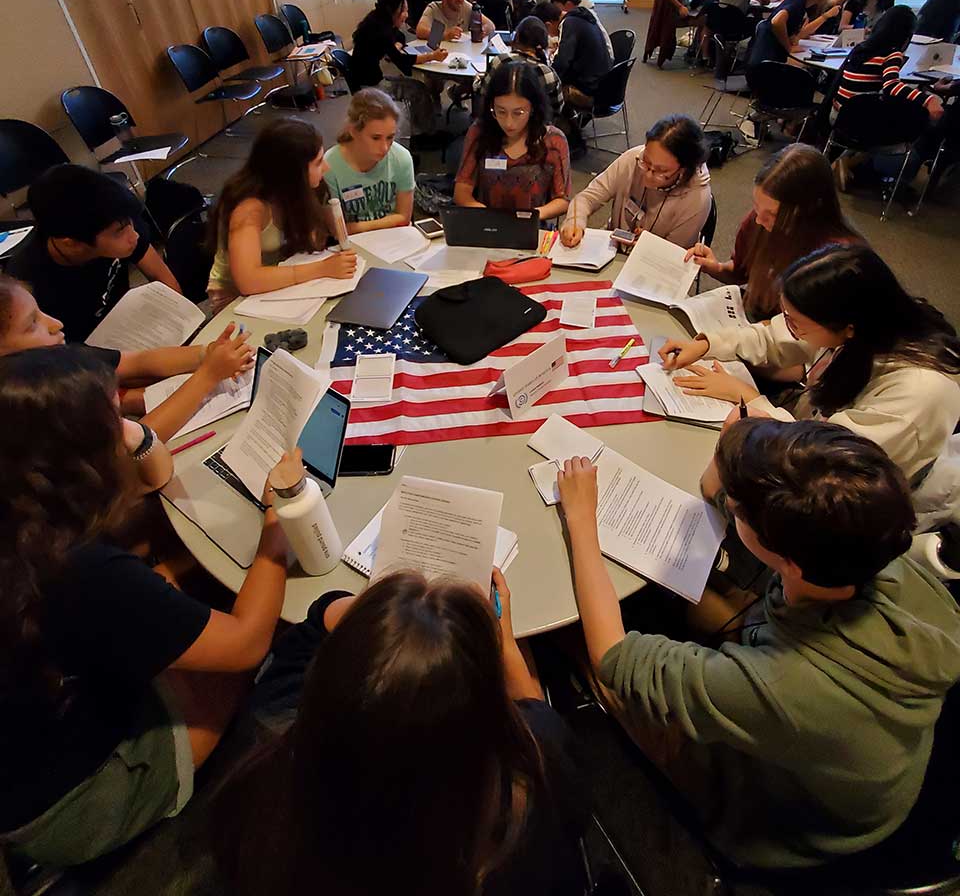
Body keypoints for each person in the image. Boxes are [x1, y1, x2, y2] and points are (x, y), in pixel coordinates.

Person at [557, 417, 960, 868]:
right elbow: (717, 484)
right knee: (690, 597)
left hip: (784, 820)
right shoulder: (874, 548)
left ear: (790, 561)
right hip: (859, 764)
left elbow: (613, 655)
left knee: (581, 643)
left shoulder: (785, 683)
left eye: (740, 510)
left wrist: (582, 520)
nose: (731, 504)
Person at [0, 347, 292, 867]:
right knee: (260, 652)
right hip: (66, 804)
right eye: (114, 418)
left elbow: (154, 474)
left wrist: (131, 435)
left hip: (33, 731)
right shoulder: (81, 571)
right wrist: (278, 523)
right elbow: (246, 642)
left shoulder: (24, 504)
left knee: (173, 577)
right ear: (81, 454)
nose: (128, 424)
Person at [219, 568, 587, 896]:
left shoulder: (260, 789)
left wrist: (389, 625)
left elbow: (318, 621)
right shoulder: (534, 780)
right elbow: (534, 710)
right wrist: (505, 647)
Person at [660, 244, 960, 491]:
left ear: (848, 328)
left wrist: (749, 399)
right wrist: (706, 345)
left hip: (840, 496)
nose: (789, 327)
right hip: (806, 430)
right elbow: (773, 337)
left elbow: (825, 457)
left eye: (796, 322)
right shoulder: (866, 322)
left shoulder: (919, 394)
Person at [0, 276, 252, 442]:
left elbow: (137, 362)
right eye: (32, 324)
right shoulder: (37, 405)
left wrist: (206, 353)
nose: (56, 323)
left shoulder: (61, 355)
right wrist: (207, 376)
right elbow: (135, 447)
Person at [685, 144, 860, 321]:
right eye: (756, 206)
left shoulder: (839, 261)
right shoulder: (758, 221)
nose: (759, 220)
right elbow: (740, 272)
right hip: (759, 316)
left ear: (809, 210)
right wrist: (716, 268)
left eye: (773, 215)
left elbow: (826, 330)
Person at [7, 165, 180, 343]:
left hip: (129, 328)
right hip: (84, 351)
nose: (134, 235)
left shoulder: (118, 220)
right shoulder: (28, 285)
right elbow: (57, 353)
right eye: (119, 231)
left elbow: (164, 280)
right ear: (72, 243)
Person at [206, 118, 357, 313]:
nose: (326, 168)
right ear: (291, 172)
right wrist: (322, 269)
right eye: (318, 162)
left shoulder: (298, 191)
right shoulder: (249, 208)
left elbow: (315, 242)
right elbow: (248, 280)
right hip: (234, 297)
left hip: (279, 278)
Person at [560, 114, 712, 249]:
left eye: (660, 171)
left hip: (652, 263)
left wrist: (646, 246)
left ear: (683, 169)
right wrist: (575, 221)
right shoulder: (633, 158)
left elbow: (671, 256)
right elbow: (587, 198)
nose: (648, 174)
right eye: (646, 162)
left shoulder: (697, 199)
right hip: (612, 247)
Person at [832, 6, 943, 188]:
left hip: (839, 117)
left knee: (886, 113)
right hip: (859, 123)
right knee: (914, 122)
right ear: (906, 36)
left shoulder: (862, 48)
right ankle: (854, 163)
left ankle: (847, 161)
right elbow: (891, 86)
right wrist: (928, 99)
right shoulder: (892, 53)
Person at [455, 61, 571, 219]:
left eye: (518, 113)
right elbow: (462, 191)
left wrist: (530, 216)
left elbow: (562, 199)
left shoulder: (553, 141)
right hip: (487, 224)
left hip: (532, 225)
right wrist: (485, 214)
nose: (509, 123)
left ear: (533, 108)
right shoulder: (480, 132)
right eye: (500, 111)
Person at [348, 0, 446, 133]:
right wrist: (432, 56)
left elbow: (400, 36)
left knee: (414, 86)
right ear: (393, 10)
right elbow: (402, 61)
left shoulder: (377, 20)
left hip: (365, 79)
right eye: (403, 11)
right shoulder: (381, 31)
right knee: (419, 90)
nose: (406, 15)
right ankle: (424, 134)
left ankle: (420, 130)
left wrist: (396, 45)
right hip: (371, 87)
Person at [322, 89, 415, 234]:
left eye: (390, 137)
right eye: (375, 138)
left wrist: (354, 227)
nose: (385, 148)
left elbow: (404, 217)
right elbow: (336, 229)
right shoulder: (330, 165)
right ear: (353, 131)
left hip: (392, 237)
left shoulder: (401, 158)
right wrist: (390, 221)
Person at [746, 0, 840, 74]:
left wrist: (825, 16)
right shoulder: (798, 2)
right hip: (765, 68)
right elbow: (777, 21)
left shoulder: (803, 1)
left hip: (765, 63)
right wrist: (788, 48)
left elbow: (799, 34)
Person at [478, 15, 562, 120]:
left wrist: (477, 81)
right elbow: (557, 109)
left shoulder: (500, 61)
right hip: (535, 127)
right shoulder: (548, 73)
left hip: (499, 122)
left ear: (516, 38)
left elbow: (484, 93)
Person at [552, 0, 614, 111]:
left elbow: (562, 62)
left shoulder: (570, 22)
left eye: (556, 6)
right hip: (604, 85)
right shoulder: (586, 15)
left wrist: (549, 71)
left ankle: (564, 121)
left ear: (568, 4)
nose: (555, 11)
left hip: (590, 92)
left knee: (546, 87)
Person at [550, 0, 614, 61]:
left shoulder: (572, 21)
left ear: (568, 4)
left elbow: (563, 59)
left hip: (595, 65)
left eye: (557, 7)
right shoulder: (586, 13)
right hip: (605, 61)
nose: (556, 11)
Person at [416, 0, 494, 41]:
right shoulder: (433, 8)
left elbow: (490, 25)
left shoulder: (465, 6)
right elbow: (420, 30)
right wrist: (444, 35)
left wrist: (482, 30)